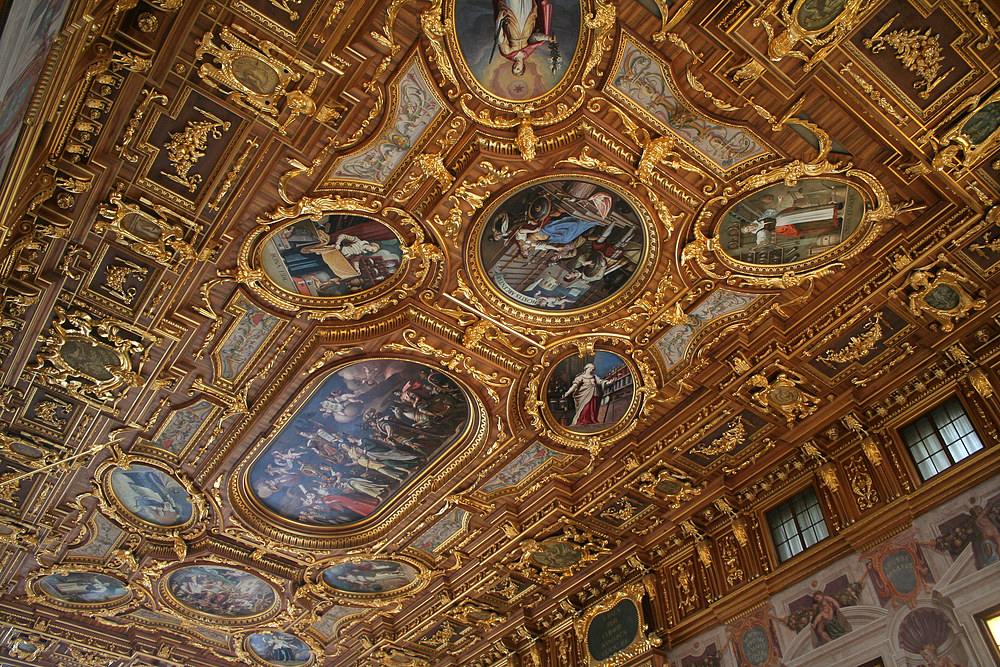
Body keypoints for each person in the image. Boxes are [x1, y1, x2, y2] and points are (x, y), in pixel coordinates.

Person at [493, 0, 557, 76]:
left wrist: (499, 21)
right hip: (528, 19)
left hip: (512, 19)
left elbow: (500, 38)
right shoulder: (528, 52)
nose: (516, 66)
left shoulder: (508, 52)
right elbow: (534, 37)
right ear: (523, 66)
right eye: (518, 68)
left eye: (513, 67)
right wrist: (547, 38)